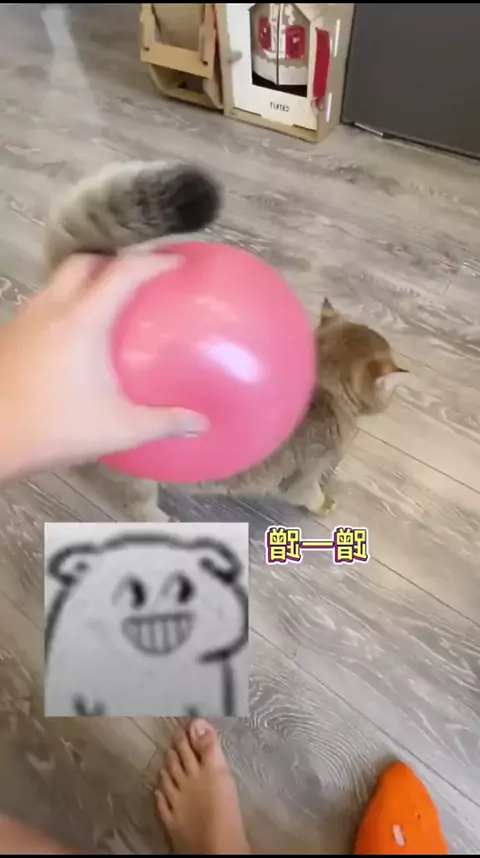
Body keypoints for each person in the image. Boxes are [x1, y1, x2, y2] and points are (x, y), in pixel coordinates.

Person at [0, 255, 448, 855]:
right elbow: (296, 488)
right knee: (160, 495)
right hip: (136, 447)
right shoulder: (327, 428)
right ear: (371, 386)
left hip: (96, 411)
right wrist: (316, 503)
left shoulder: (289, 366)